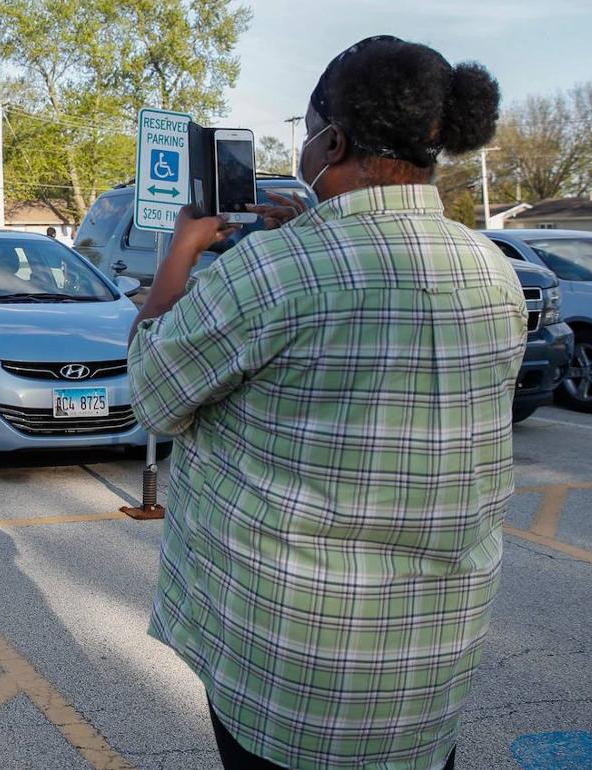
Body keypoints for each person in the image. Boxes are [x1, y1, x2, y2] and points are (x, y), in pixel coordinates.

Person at [126, 36, 525, 770]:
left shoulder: (272, 269)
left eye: (308, 132)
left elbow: (155, 393)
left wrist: (180, 252)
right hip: (430, 659)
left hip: (293, 665)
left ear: (332, 140)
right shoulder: (492, 268)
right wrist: (301, 235)